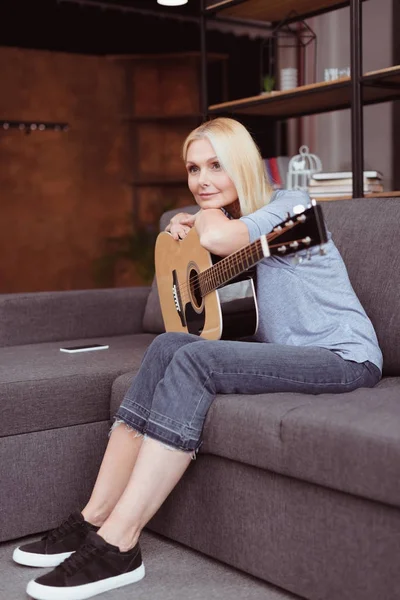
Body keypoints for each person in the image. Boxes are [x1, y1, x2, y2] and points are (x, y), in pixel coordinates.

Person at [13, 117, 382, 600]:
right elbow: (209, 266)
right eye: (193, 168)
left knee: (195, 362)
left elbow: (218, 240)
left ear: (244, 166)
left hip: (342, 357)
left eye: (216, 166)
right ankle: (94, 516)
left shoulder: (291, 206)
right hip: (285, 354)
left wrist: (199, 221)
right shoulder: (229, 221)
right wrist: (181, 233)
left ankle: (118, 545)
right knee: (169, 345)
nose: (202, 180)